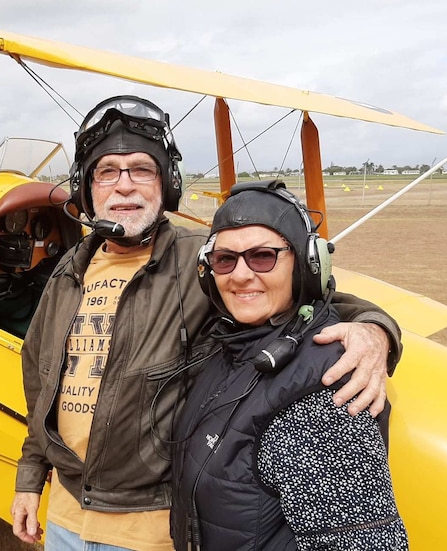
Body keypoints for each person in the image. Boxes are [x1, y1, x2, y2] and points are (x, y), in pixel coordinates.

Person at [12, 96, 402, 551]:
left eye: (141, 169)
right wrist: (30, 477)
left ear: (166, 184)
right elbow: (41, 386)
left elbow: (306, 294)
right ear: (86, 187)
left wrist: (374, 331)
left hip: (149, 529)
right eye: (107, 171)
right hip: (65, 516)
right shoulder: (67, 272)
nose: (124, 186)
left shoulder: (207, 259)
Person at [170, 180, 408, 550]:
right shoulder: (232, 346)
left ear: (307, 266)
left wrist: (376, 331)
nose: (240, 274)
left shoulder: (323, 388)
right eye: (224, 259)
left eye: (263, 256)